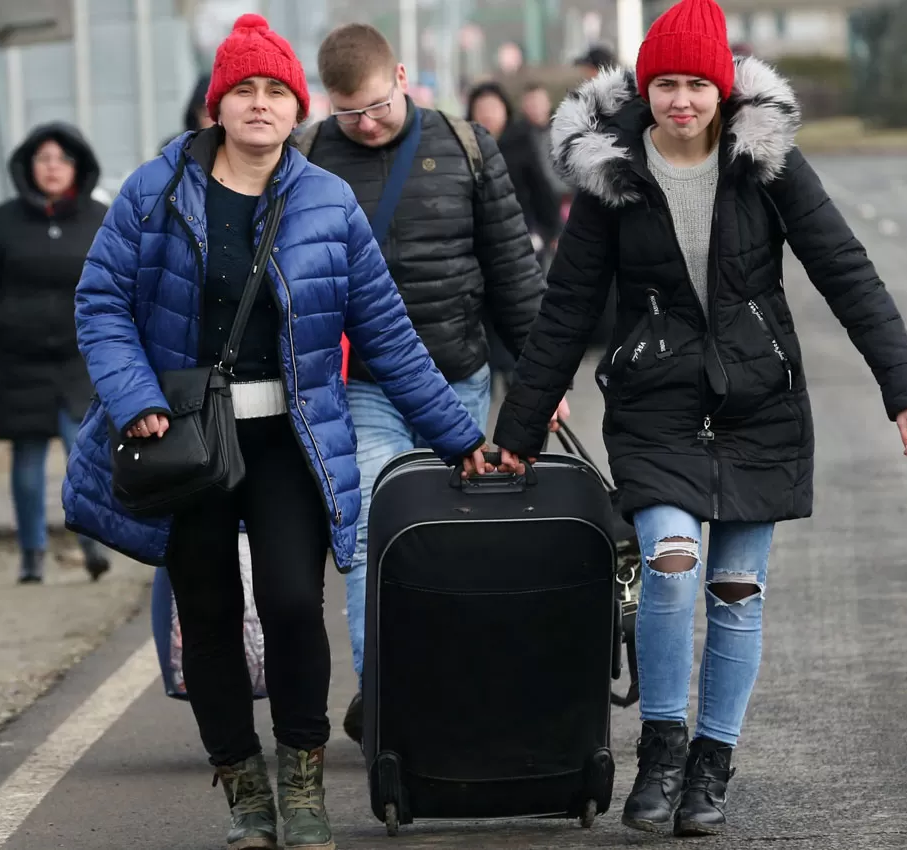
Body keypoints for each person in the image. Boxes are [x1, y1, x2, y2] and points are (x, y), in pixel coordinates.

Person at [494, 0, 907, 836]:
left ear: (724, 90)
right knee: (669, 561)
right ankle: (662, 745)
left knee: (736, 589)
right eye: (666, 84)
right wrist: (517, 433)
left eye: (698, 85)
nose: (682, 102)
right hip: (656, 405)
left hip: (758, 405)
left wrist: (904, 390)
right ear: (646, 89)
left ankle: (711, 763)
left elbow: (846, 270)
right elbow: (566, 309)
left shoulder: (765, 166)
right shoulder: (612, 176)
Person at [61, 15, 490, 850]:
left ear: (299, 108)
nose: (260, 105)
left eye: (276, 92)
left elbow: (388, 335)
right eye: (244, 90)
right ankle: (242, 789)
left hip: (291, 439)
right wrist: (134, 395)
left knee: (294, 604)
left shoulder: (327, 202)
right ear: (218, 104)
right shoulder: (156, 190)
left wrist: (458, 438)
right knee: (210, 611)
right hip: (184, 441)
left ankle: (301, 780)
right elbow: (101, 303)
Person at [301, 22, 566, 744]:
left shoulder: (465, 146)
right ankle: (387, 697)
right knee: (368, 534)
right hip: (358, 387)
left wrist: (543, 382)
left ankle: (450, 689)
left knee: (454, 542)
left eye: (378, 105)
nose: (365, 123)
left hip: (458, 379)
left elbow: (513, 270)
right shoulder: (307, 158)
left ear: (403, 77)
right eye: (348, 112)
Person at [0, 122, 113, 584]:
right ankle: (31, 554)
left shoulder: (99, 218)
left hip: (79, 358)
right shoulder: (3, 221)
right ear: (28, 167)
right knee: (26, 459)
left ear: (77, 166)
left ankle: (93, 543)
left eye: (61, 159)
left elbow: (125, 282)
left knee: (82, 451)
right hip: (16, 360)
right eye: (43, 159)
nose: (52, 168)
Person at [464, 81, 561, 248]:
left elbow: (541, 189)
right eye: (481, 109)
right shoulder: (464, 148)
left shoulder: (520, 142)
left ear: (505, 110)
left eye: (493, 108)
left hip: (522, 233)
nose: (488, 115)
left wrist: (549, 231)